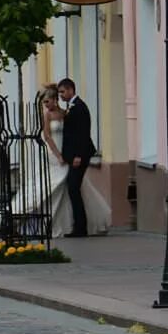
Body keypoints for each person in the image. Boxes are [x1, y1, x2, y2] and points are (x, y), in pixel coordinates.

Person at [12, 85, 112, 237]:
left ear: (54, 100)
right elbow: (47, 136)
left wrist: (69, 154)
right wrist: (58, 155)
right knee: (54, 182)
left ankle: (69, 222)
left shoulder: (66, 113)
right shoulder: (47, 115)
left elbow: (73, 133)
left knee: (69, 184)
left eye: (48, 101)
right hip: (54, 153)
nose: (46, 105)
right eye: (44, 103)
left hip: (67, 153)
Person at [55, 78, 97, 237]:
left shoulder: (79, 108)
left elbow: (82, 133)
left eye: (62, 92)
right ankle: (79, 225)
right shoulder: (72, 107)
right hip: (73, 156)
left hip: (79, 156)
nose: (61, 95)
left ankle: (80, 227)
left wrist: (78, 155)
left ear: (71, 90)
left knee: (73, 187)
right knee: (73, 188)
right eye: (59, 92)